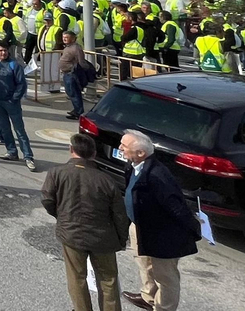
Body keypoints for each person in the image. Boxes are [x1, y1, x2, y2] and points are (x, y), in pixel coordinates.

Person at [42, 133, 129, 311]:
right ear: (94, 154)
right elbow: (120, 214)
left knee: (77, 278)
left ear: (71, 150)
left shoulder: (57, 173)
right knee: (108, 279)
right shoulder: (106, 180)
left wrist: (62, 217)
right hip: (103, 238)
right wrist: (121, 239)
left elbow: (47, 200)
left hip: (71, 234)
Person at [119, 130, 200, 311]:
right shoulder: (133, 166)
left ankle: (164, 308)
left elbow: (176, 207)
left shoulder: (157, 176)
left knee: (165, 277)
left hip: (162, 236)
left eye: (124, 146)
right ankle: (148, 298)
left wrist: (193, 230)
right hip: (141, 227)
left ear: (141, 153)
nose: (119, 148)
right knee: (145, 265)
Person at [0, 44, 37, 171]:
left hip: (11, 103)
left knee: (20, 130)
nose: (3, 53)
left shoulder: (14, 65)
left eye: (5, 50)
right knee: (5, 129)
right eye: (1, 50)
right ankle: (11, 151)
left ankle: (28, 156)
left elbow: (21, 84)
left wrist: (14, 98)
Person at [59, 32, 87, 119]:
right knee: (70, 92)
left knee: (74, 93)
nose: (64, 39)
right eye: (63, 37)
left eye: (66, 37)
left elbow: (81, 62)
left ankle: (78, 112)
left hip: (72, 74)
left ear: (73, 38)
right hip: (66, 73)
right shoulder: (68, 47)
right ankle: (76, 109)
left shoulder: (76, 48)